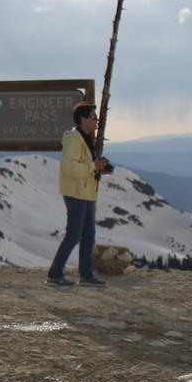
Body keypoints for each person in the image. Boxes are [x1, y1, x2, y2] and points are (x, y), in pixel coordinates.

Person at [47, 102, 110, 288]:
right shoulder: (75, 139)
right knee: (74, 235)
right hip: (76, 193)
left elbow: (79, 166)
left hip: (85, 192)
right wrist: (94, 166)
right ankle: (55, 274)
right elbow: (70, 167)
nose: (96, 120)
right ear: (83, 120)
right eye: (93, 117)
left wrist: (97, 169)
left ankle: (86, 275)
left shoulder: (84, 138)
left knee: (88, 235)